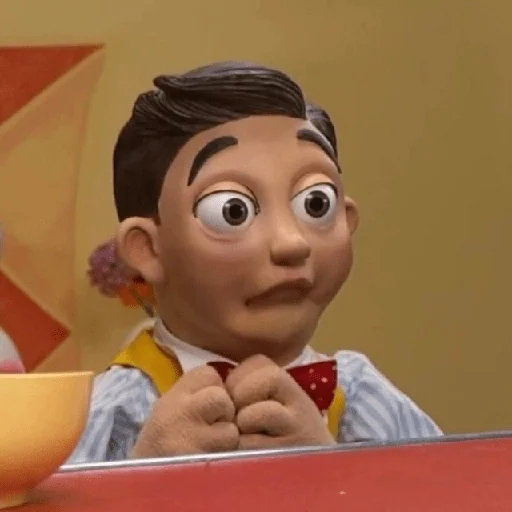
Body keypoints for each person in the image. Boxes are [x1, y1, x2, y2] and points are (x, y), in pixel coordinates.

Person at [69, 61, 441, 463]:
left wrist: (330, 468)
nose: (291, 242)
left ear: (347, 220)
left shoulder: (359, 395)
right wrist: (143, 477)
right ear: (147, 249)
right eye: (232, 211)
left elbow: (454, 487)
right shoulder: (109, 412)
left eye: (316, 204)